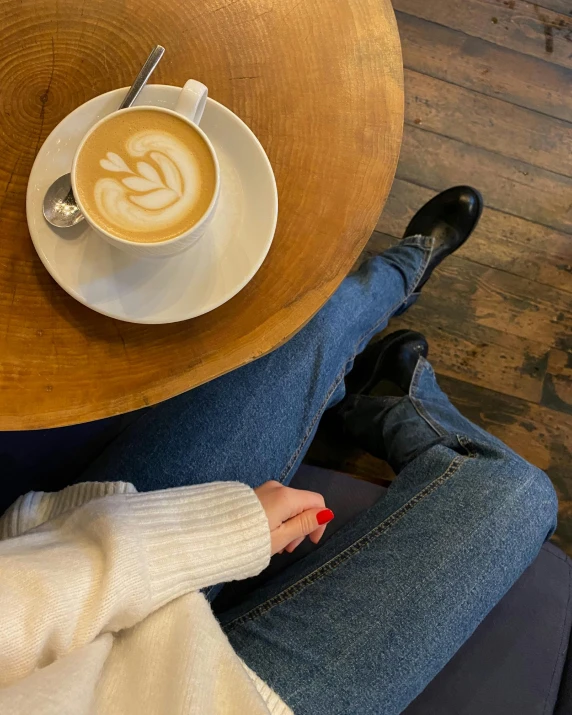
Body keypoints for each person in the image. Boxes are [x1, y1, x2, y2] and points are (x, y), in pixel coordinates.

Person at [0, 187, 557, 715]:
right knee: (518, 496)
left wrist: (211, 532)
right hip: (239, 701)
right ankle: (392, 397)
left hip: (66, 592)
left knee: (303, 333)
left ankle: (404, 269)